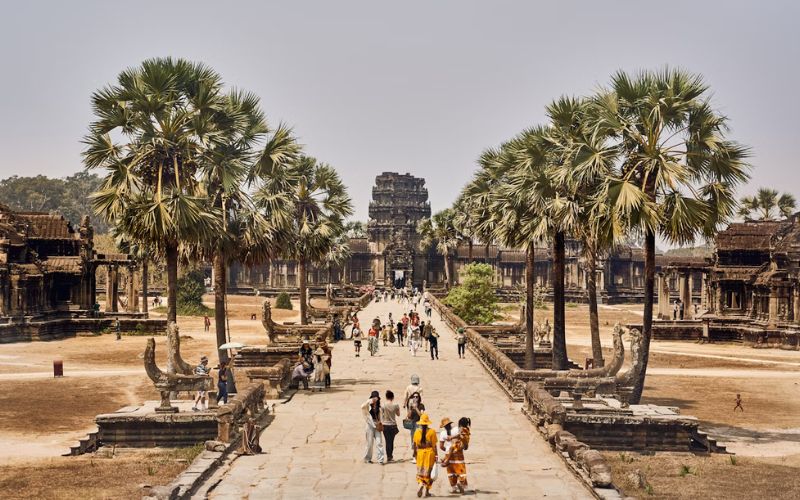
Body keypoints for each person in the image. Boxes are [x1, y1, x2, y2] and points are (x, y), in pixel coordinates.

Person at [442, 417, 471, 493]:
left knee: (451, 448)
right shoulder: (466, 429)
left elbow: (459, 436)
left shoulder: (462, 429)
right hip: (463, 446)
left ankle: (446, 460)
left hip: (461, 445)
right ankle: (461, 485)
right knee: (452, 449)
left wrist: (452, 437)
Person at [413, 413, 438, 497]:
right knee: (429, 473)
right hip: (429, 453)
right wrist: (436, 455)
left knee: (421, 471)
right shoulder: (432, 432)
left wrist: (414, 454)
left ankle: (420, 483)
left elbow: (415, 445)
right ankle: (427, 491)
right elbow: (434, 446)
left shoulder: (417, 432)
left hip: (420, 454)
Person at [361, 390, 386, 464]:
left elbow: (382, 415)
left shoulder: (379, 406)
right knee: (369, 442)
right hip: (370, 425)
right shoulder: (367, 405)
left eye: (376, 398)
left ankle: (380, 459)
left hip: (377, 425)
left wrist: (381, 422)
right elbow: (362, 406)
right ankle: (367, 458)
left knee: (379, 442)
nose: (375, 399)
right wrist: (369, 401)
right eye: (374, 398)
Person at [381, 390, 401, 462]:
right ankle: (390, 456)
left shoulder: (383, 405)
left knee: (387, 441)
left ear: (386, 397)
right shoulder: (396, 405)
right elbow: (398, 414)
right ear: (393, 397)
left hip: (385, 425)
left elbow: (381, 415)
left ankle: (389, 456)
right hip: (393, 425)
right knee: (391, 441)